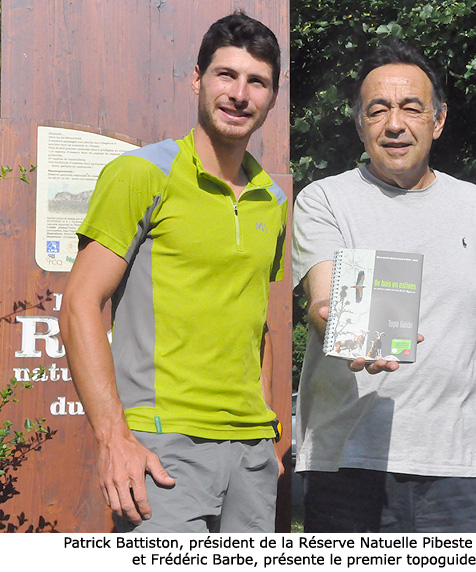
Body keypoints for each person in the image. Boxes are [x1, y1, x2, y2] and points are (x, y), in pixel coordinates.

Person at [59, 12, 288, 533]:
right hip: (164, 445)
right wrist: (113, 438)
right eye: (226, 75)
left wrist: (271, 433)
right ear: (197, 79)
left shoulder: (272, 199)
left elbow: (256, 325)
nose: (240, 94)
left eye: (257, 82)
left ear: (272, 98)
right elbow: (79, 305)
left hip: (252, 455)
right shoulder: (142, 174)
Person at [291, 40, 476, 533]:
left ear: (438, 120)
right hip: (350, 465)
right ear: (359, 123)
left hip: (460, 472)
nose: (394, 124)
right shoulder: (324, 200)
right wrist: (341, 328)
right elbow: (323, 300)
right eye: (378, 109)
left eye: (411, 108)